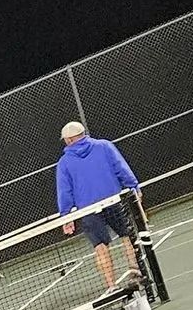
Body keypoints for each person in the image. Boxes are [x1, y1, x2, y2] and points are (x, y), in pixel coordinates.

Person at [54, 121, 147, 292]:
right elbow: (121, 168)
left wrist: (66, 216)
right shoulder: (105, 146)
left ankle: (112, 286)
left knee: (100, 247)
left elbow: (64, 191)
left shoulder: (64, 162)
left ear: (68, 139)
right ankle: (134, 268)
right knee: (127, 236)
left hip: (89, 210)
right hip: (114, 201)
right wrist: (134, 187)